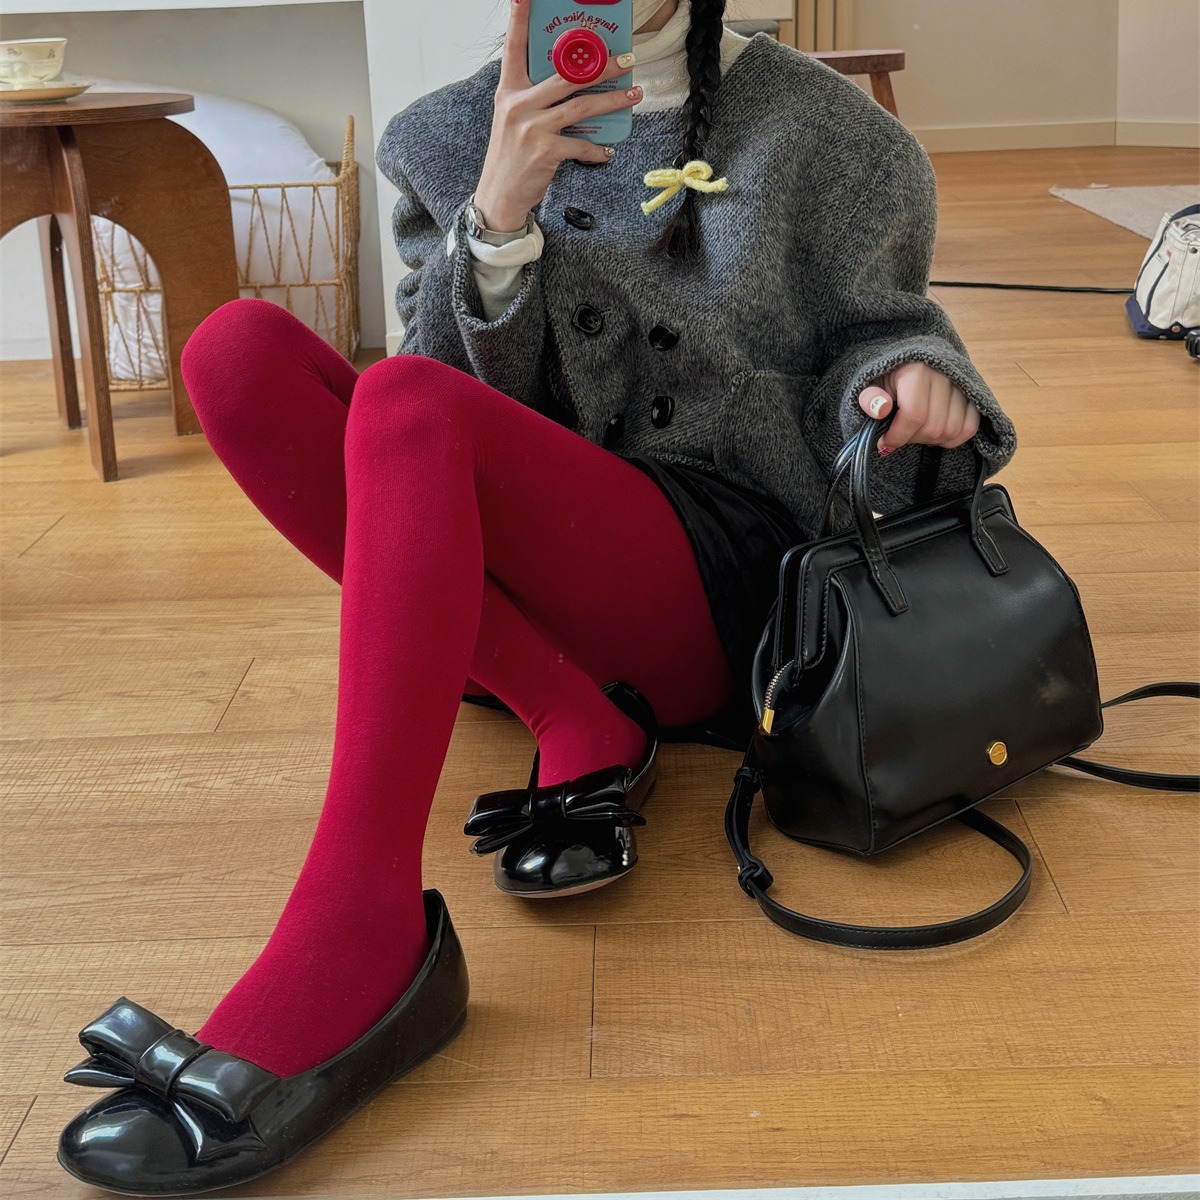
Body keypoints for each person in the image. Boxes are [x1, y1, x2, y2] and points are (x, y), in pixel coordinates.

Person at [56, 1, 1018, 1194]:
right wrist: (495, 222)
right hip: (524, 567)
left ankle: (362, 935)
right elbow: (424, 426)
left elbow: (887, 330)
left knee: (400, 401)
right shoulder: (447, 133)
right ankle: (571, 713)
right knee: (234, 353)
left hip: (714, 574)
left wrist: (912, 379)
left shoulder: (832, 135)